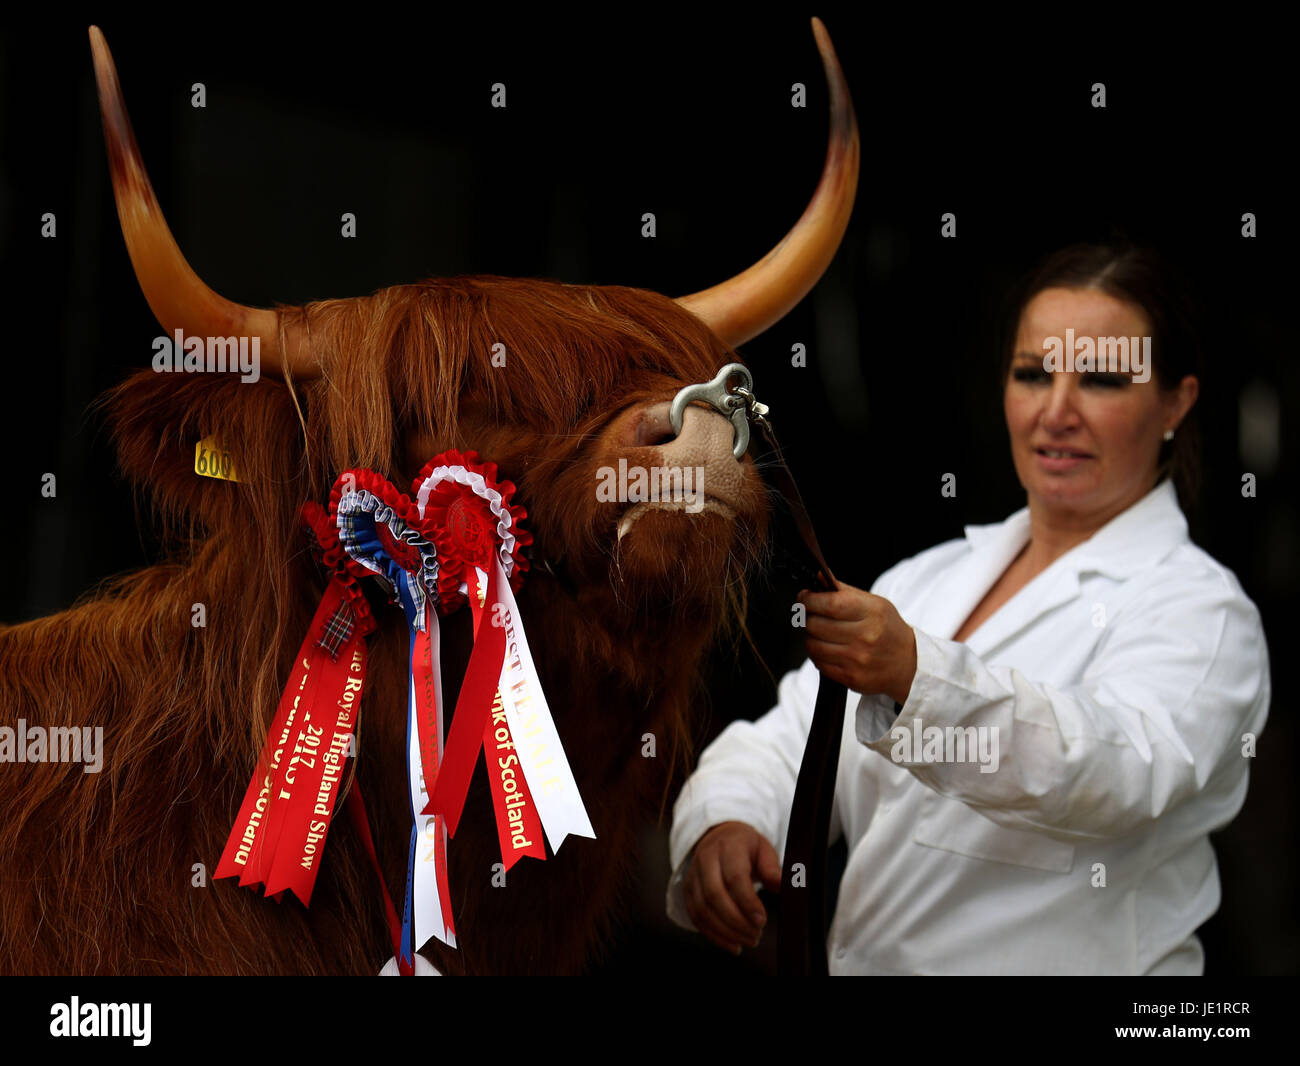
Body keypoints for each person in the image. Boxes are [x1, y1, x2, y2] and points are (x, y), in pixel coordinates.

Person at [666, 242, 1271, 975]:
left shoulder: (1202, 611)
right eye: (1033, 374)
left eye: (1103, 380)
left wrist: (918, 674)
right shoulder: (927, 579)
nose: (1057, 412)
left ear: (1176, 401)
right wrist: (724, 820)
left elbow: (1118, 771)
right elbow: (786, 739)